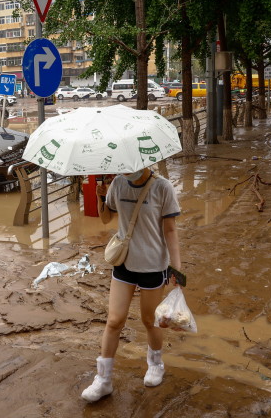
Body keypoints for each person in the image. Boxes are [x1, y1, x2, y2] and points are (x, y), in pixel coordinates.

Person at [82, 167, 181, 402]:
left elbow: (171, 230)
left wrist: (177, 269)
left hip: (153, 266)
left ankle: (156, 364)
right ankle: (103, 380)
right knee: (114, 321)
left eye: (130, 166)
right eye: (122, 166)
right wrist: (100, 197)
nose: (126, 170)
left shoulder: (162, 187)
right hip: (124, 262)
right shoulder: (118, 183)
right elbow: (106, 219)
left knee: (149, 320)